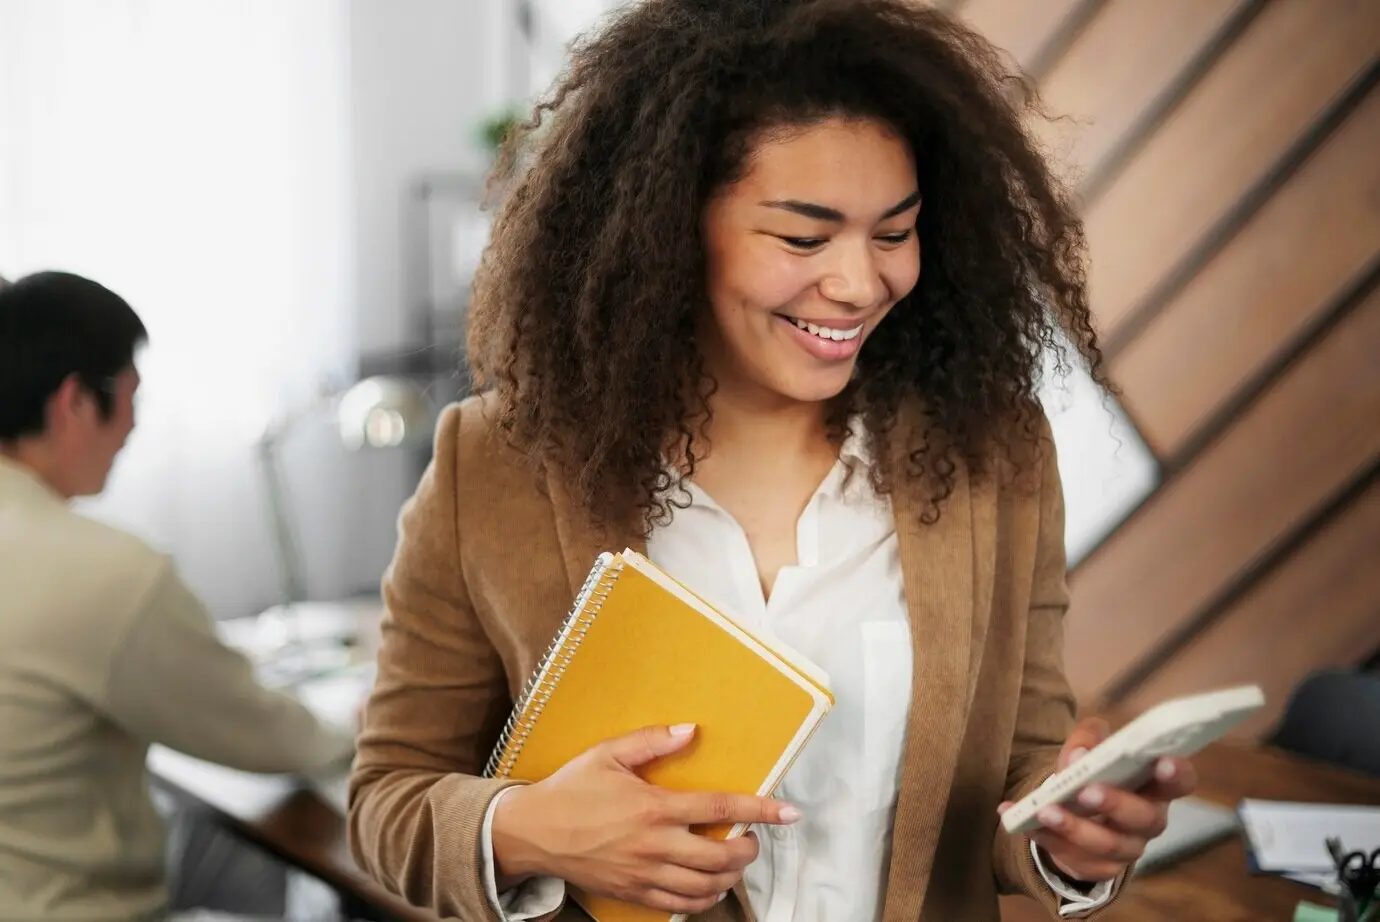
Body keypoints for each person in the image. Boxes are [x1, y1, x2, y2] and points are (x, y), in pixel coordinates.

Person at [347, 1, 1198, 920]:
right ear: (668, 227)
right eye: (803, 237)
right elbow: (388, 800)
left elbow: (1013, 783)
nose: (860, 282)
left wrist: (1069, 838)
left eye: (894, 232)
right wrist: (529, 829)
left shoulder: (994, 453)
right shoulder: (497, 463)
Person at [0, 271, 357, 921]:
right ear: (76, 401)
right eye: (132, 396)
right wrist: (360, 723)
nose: (135, 425)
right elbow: (268, 735)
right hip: (71, 906)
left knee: (218, 847)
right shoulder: (102, 572)